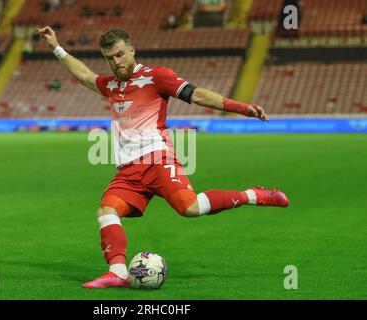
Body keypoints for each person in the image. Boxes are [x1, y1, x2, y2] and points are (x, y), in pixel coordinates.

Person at [36, 27, 289, 289]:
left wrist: (242, 108)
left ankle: (253, 195)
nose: (116, 61)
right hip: (128, 169)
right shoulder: (111, 84)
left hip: (157, 158)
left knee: (190, 208)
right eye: (110, 58)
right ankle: (118, 272)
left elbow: (198, 94)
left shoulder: (156, 77)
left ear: (132, 50)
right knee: (107, 212)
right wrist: (57, 47)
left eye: (120, 54)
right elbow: (84, 75)